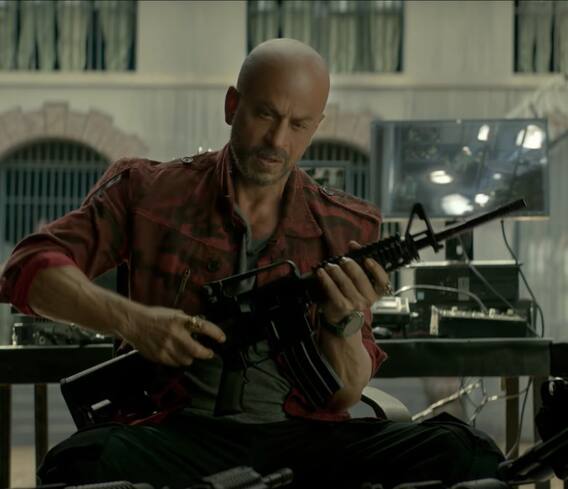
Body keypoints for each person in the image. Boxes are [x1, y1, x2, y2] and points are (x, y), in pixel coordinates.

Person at [0, 38, 504, 489]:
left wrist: (343, 321)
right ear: (231, 106)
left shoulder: (345, 225)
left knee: (464, 452)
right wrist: (135, 322)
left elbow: (342, 395)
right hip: (177, 433)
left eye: (298, 124)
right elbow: (27, 268)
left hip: (304, 439)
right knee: (78, 464)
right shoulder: (148, 192)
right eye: (265, 114)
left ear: (316, 127)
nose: (278, 141)